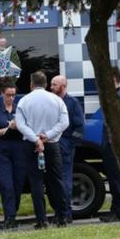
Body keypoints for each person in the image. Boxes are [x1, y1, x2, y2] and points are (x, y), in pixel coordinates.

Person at [15, 71, 70, 229]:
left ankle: (41, 220)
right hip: (52, 144)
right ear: (46, 84)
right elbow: (64, 122)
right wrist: (47, 136)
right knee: (56, 181)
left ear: (31, 84)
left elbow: (20, 124)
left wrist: (36, 139)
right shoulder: (57, 100)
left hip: (31, 145)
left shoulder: (24, 101)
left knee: (36, 183)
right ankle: (62, 217)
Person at [0, 78, 27, 229]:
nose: (11, 98)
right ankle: (9, 217)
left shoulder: (20, 110)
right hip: (2, 150)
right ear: (2, 94)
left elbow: (28, 128)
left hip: (19, 148)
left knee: (18, 184)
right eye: (8, 95)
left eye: (13, 95)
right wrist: (9, 128)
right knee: (7, 185)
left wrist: (19, 127)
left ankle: (13, 214)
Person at [50, 75, 84, 224]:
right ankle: (58, 213)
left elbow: (79, 126)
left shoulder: (72, 103)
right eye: (51, 84)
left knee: (65, 180)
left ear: (63, 86)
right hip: (51, 144)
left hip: (64, 145)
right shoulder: (50, 102)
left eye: (54, 84)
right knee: (53, 181)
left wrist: (70, 144)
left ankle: (66, 214)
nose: (51, 87)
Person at [100, 66, 120, 223]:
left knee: (116, 179)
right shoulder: (115, 96)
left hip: (114, 145)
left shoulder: (119, 97)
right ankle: (116, 210)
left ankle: (119, 211)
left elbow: (118, 123)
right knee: (113, 178)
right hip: (110, 144)